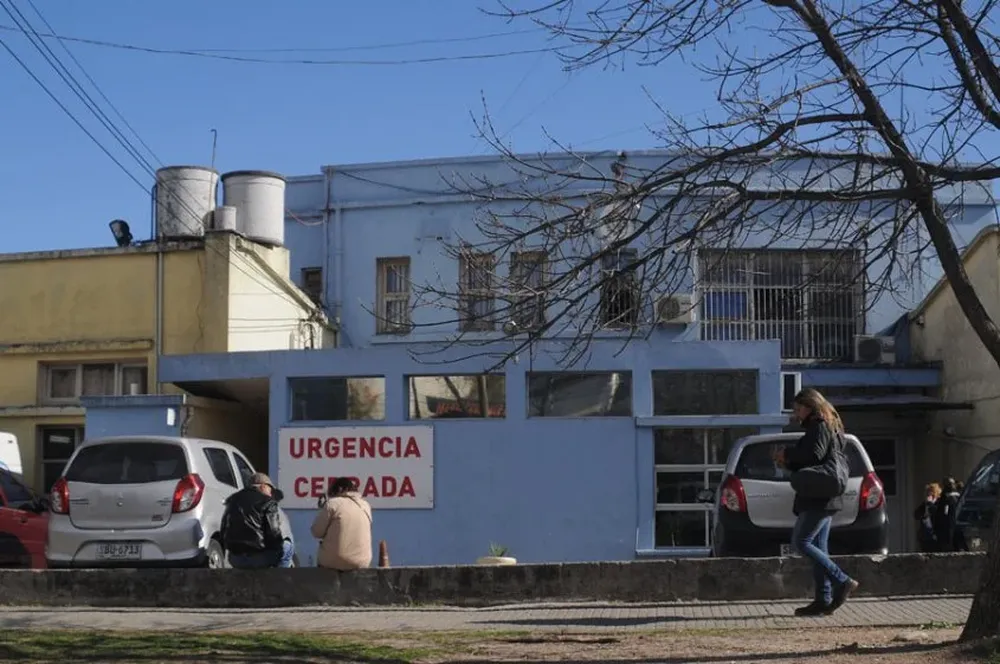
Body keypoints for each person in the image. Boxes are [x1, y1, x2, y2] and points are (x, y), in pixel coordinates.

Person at [777, 387, 860, 617]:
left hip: (818, 496)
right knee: (819, 548)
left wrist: (789, 455)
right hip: (824, 495)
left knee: (801, 542)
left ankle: (842, 580)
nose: (796, 414)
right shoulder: (830, 426)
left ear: (809, 406)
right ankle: (823, 600)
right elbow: (817, 459)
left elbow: (813, 456)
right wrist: (788, 461)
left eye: (798, 409)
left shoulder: (820, 426)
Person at [221, 472, 294, 569]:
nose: (271, 494)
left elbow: (223, 529)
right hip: (258, 558)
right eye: (270, 490)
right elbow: (273, 533)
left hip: (235, 558)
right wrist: (276, 551)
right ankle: (279, 580)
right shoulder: (268, 502)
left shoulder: (232, 500)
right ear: (263, 486)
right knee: (287, 546)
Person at [311, 478, 373, 571]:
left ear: (339, 489)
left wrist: (323, 510)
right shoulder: (365, 505)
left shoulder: (333, 504)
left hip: (333, 562)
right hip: (362, 563)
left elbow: (316, 532)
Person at [932, 477, 963, 552]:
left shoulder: (948, 498)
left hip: (950, 530)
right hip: (949, 530)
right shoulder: (956, 498)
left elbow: (942, 514)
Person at [914, 482, 941, 552]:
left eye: (930, 493)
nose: (928, 495)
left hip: (935, 535)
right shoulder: (924, 504)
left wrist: (930, 504)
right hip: (925, 535)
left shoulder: (939, 503)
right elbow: (916, 515)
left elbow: (937, 514)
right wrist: (925, 505)